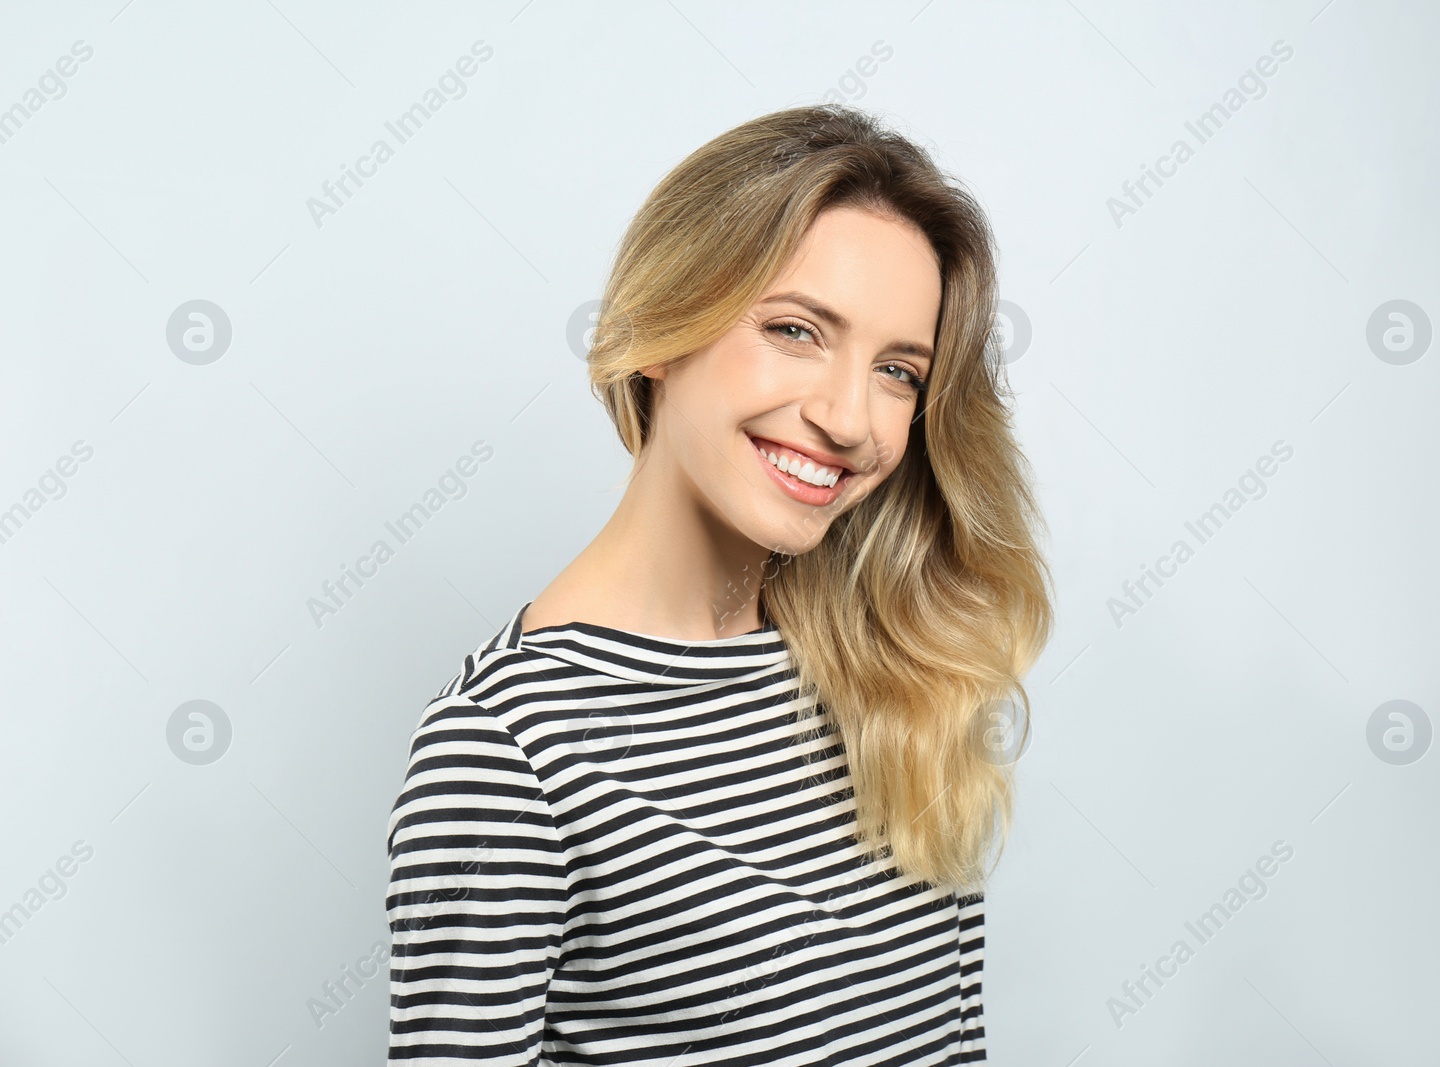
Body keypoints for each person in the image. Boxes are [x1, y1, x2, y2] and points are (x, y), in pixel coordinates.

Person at [385, 103, 1053, 1065]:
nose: (849, 417)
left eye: (899, 370)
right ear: (660, 328)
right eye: (795, 329)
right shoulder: (510, 751)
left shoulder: (900, 668)